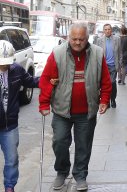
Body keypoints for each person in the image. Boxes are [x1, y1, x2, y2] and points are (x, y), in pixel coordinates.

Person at [38, 22, 112, 191]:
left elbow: (106, 81)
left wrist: (104, 100)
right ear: (68, 37)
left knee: (84, 145)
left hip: (87, 111)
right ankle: (62, 171)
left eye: (81, 39)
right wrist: (43, 103)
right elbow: (45, 80)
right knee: (59, 142)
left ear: (88, 38)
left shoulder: (97, 53)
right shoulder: (57, 54)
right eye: (74, 39)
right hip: (62, 110)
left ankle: (80, 175)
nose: (77, 42)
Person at [0, 40, 40, 192]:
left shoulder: (16, 69)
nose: (4, 66)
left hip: (10, 125)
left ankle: (9, 187)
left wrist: (48, 80)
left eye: (6, 63)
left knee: (12, 160)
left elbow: (30, 81)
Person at [96, 24, 121, 108]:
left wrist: (119, 64)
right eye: (106, 29)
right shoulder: (99, 40)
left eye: (109, 29)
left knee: (112, 83)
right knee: (104, 84)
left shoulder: (117, 39)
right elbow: (96, 53)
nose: (107, 31)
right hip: (104, 66)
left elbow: (120, 53)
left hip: (113, 65)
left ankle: (113, 99)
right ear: (103, 30)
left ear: (111, 30)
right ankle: (106, 101)